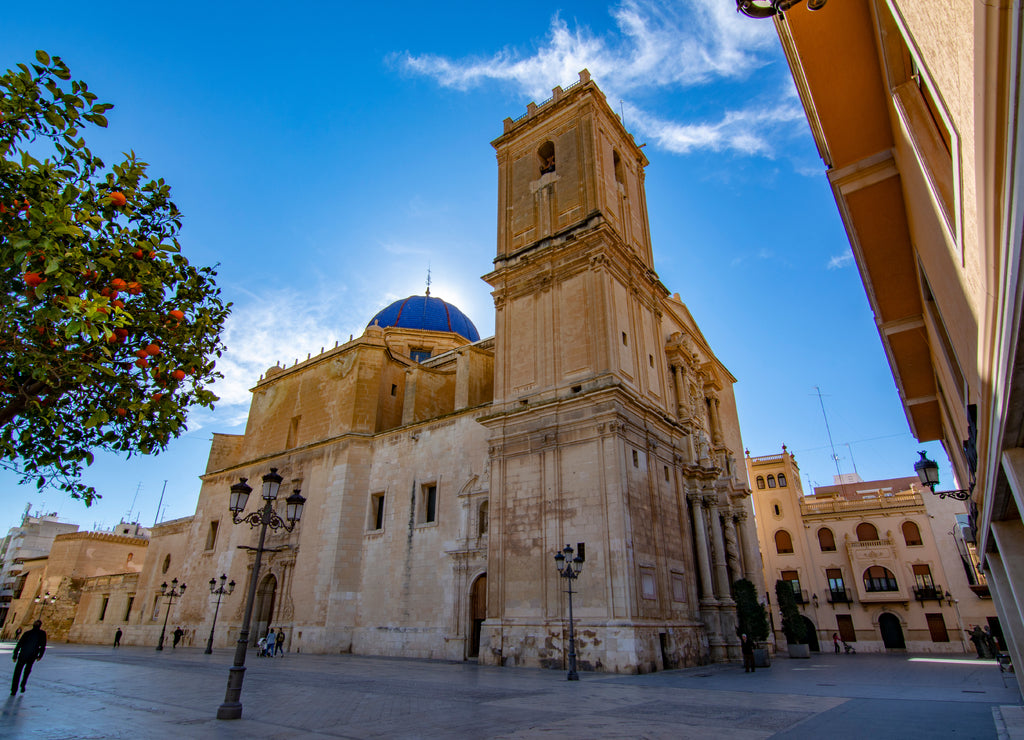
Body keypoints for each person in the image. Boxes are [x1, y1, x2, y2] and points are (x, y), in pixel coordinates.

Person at [11, 620, 46, 695]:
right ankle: (23, 684)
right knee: (27, 671)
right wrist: (40, 655)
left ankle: (14, 689)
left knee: (17, 672)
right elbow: (43, 646)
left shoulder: (27, 633)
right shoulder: (42, 634)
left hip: (23, 655)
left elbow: (19, 644)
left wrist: (15, 655)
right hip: (32, 655)